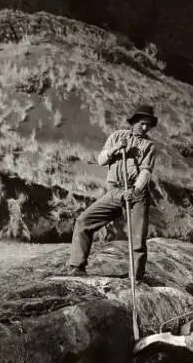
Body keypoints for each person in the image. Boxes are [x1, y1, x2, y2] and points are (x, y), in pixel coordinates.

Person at [65, 104, 158, 281]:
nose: (145, 128)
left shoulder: (149, 145)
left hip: (136, 194)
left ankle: (135, 278)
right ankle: (77, 267)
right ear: (134, 122)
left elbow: (146, 171)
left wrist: (135, 190)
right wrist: (115, 149)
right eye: (142, 123)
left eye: (148, 125)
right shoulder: (116, 136)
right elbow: (101, 160)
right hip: (115, 191)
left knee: (137, 240)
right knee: (84, 221)